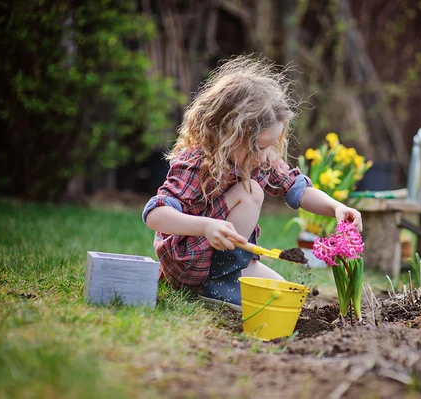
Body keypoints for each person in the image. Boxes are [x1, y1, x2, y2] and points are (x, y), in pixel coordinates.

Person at [143, 56, 362, 311]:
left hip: (231, 261)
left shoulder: (261, 159)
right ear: (226, 133)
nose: (264, 155)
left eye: (271, 146)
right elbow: (155, 214)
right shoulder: (197, 163)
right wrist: (206, 227)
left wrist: (336, 207)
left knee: (288, 299)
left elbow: (297, 189)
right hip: (190, 263)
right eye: (258, 146)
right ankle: (214, 286)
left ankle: (229, 276)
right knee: (250, 190)